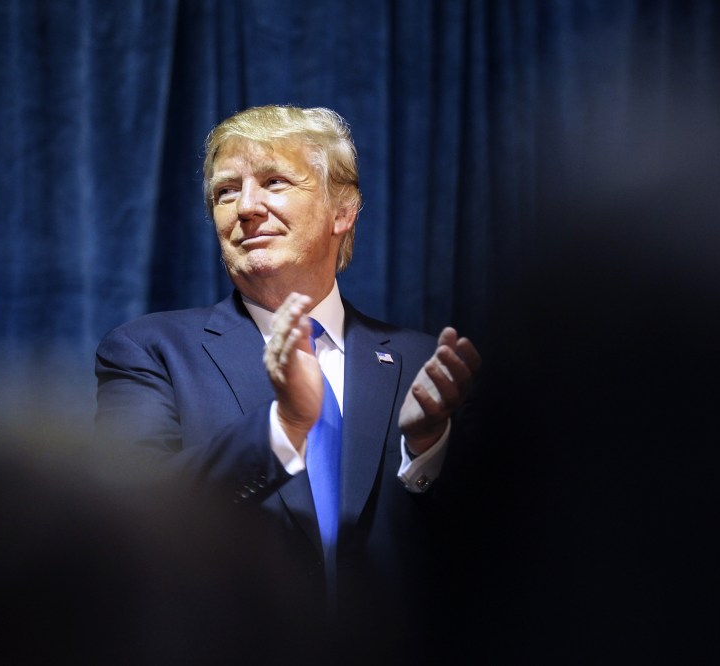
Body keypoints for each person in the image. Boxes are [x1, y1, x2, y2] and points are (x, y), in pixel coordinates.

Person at [94, 105, 480, 656]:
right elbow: (130, 515)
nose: (247, 207)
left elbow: (497, 552)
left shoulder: (426, 363)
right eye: (227, 192)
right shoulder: (148, 351)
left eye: (274, 181)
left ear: (341, 211)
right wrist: (285, 426)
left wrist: (427, 449)